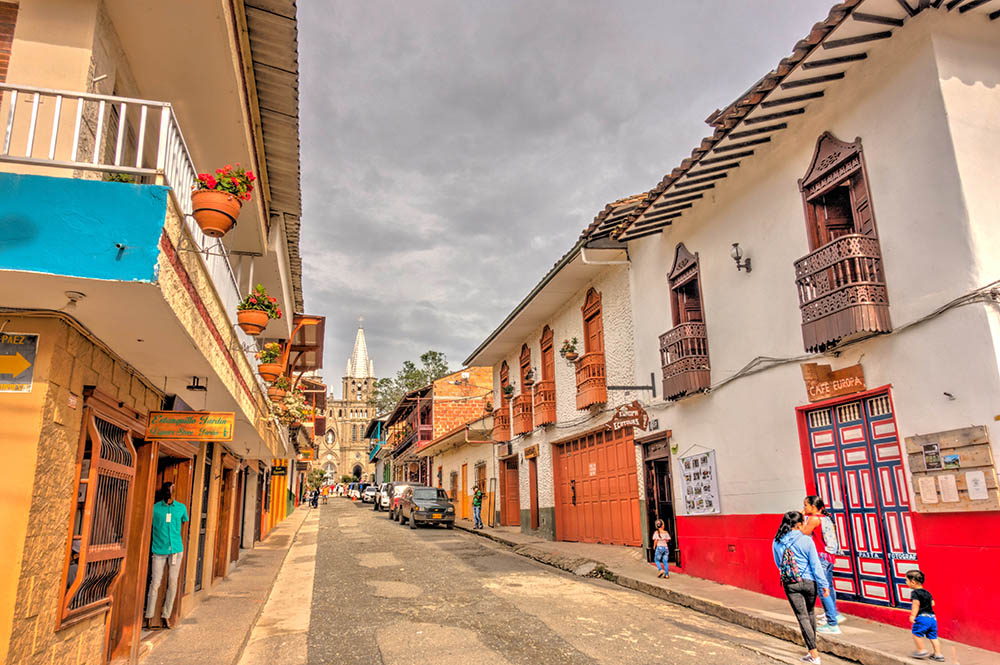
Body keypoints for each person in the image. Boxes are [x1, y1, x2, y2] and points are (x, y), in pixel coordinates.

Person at [773, 511, 830, 665]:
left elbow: (779, 564)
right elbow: (815, 565)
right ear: (798, 524)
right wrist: (824, 584)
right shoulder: (807, 540)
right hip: (810, 582)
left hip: (791, 583)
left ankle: (813, 654)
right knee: (810, 613)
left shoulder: (777, 541)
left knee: (802, 617)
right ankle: (813, 651)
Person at [144, 481, 189, 630]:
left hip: (176, 549)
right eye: (168, 490)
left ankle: (166, 615)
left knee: (173, 582)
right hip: (159, 550)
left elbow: (184, 523)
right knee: (155, 582)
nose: (170, 493)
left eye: (172, 490)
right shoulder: (154, 509)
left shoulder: (181, 508)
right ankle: (149, 616)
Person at [802, 496, 845, 634]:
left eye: (806, 505)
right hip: (829, 556)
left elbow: (804, 533)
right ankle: (833, 614)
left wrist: (801, 517)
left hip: (820, 556)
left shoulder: (814, 519)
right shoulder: (826, 517)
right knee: (829, 586)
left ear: (813, 507)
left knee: (823, 589)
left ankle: (832, 623)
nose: (804, 508)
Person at [906, 570, 945, 661]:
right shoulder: (927, 593)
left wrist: (912, 615)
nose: (906, 582)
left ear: (913, 582)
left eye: (906, 580)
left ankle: (921, 650)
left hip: (922, 618)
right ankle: (938, 654)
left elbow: (916, 604)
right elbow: (933, 603)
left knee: (916, 634)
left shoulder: (915, 593)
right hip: (932, 618)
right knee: (933, 637)